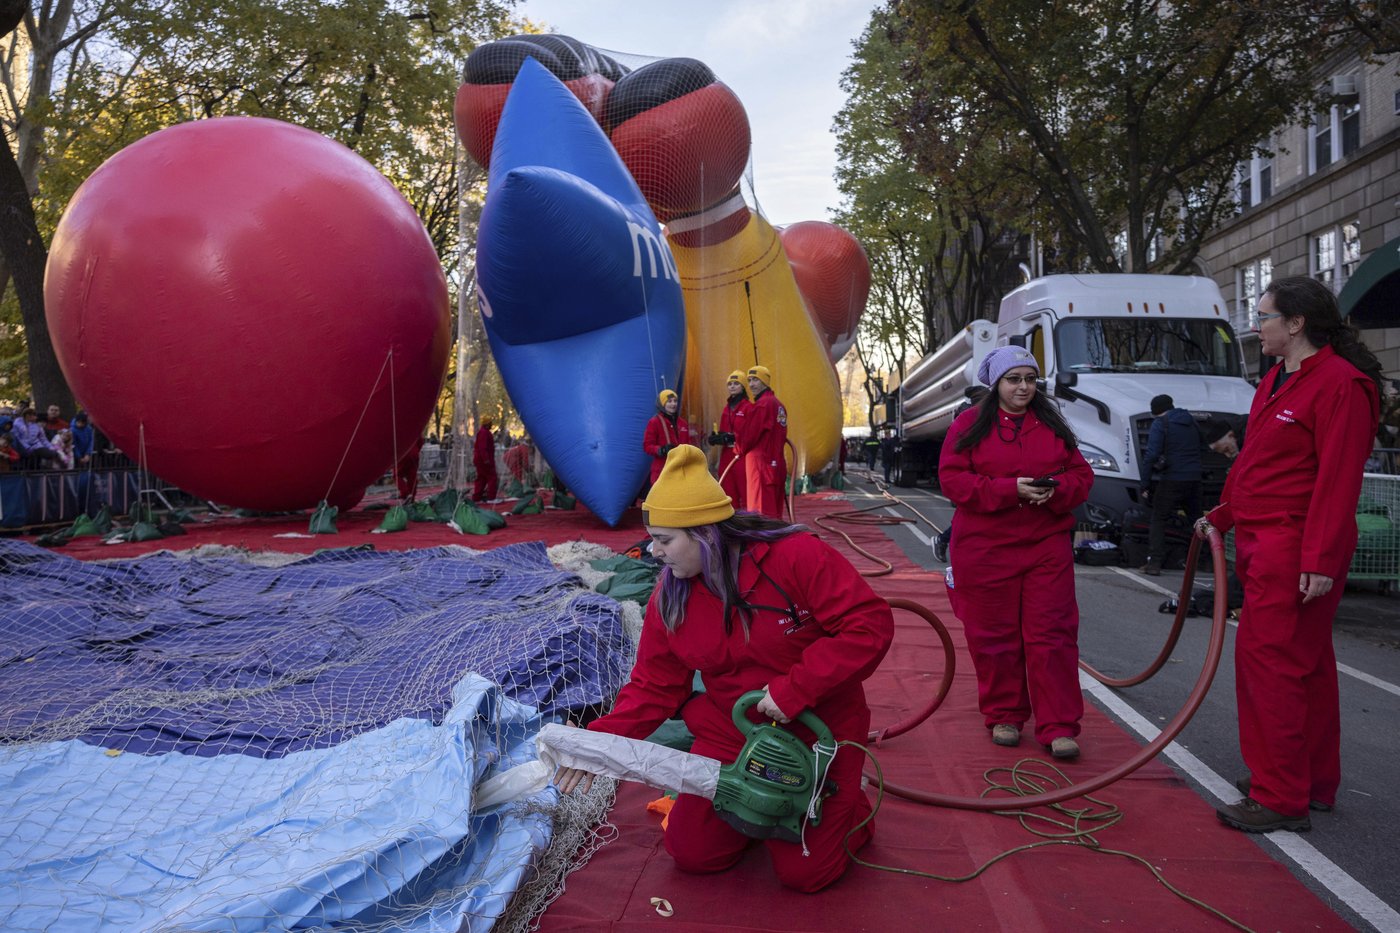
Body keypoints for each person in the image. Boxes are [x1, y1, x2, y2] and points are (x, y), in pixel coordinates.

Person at [554, 445, 894, 892]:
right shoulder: (670, 598)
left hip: (817, 731)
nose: (654, 552)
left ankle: (847, 808)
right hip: (731, 733)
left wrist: (795, 690)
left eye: (664, 539)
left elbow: (868, 626)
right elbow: (654, 686)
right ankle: (758, 818)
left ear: (705, 533)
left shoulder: (794, 557)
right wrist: (600, 742)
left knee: (807, 875)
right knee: (693, 854)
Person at [1200, 277, 1380, 834]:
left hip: (1295, 546)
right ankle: (1309, 780)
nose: (1258, 326)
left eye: (1265, 316)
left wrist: (1321, 561)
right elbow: (1259, 462)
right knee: (1305, 666)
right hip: (1264, 539)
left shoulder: (1340, 384)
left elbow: (1337, 478)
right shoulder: (1278, 379)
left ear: (1296, 323)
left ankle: (1279, 795)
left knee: (1271, 667)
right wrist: (1224, 515)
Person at [938, 345, 1093, 758]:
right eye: (1014, 379)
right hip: (986, 548)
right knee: (994, 636)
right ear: (997, 384)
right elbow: (953, 481)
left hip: (1045, 546)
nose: (1023, 387)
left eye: (1029, 379)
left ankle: (1058, 725)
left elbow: (1081, 474)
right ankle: (1004, 714)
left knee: (1052, 635)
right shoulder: (969, 424)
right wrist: (1010, 490)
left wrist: (1057, 491)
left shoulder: (1051, 423)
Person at [1137, 394, 1203, 576]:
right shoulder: (1190, 421)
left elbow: (1151, 454)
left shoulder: (1161, 423)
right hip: (1194, 477)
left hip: (1173, 478)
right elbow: (1201, 445)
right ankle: (1206, 559)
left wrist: (1145, 484)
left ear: (1156, 411)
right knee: (1198, 520)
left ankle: (1154, 563)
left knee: (1158, 518)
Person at [739, 366, 788, 519]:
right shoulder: (778, 404)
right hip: (776, 464)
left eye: (756, 380)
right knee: (774, 510)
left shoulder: (762, 405)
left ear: (765, 382)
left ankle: (762, 542)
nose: (751, 384)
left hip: (760, 464)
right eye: (749, 381)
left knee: (760, 511)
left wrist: (737, 449)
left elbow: (749, 436)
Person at [709, 371, 749, 509]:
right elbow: (723, 430)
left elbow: (751, 433)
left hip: (742, 454)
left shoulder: (748, 407)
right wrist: (717, 437)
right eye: (730, 384)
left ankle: (748, 521)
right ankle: (732, 521)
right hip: (727, 454)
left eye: (736, 383)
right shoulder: (727, 408)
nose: (732, 386)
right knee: (727, 489)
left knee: (745, 490)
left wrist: (734, 437)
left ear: (743, 386)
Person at [643, 389, 694, 486]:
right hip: (662, 470)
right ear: (662, 404)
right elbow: (647, 445)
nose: (673, 404)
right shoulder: (655, 422)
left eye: (675, 401)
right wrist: (661, 450)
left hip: (680, 469)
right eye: (669, 401)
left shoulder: (683, 423)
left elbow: (688, 443)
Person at [472, 416, 499, 503]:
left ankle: (477, 497)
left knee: (482, 478)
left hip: (480, 460)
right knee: (492, 477)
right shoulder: (484, 433)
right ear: (487, 424)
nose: (491, 425)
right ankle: (491, 497)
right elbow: (483, 447)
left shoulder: (483, 432)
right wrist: (486, 459)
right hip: (484, 460)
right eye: (490, 423)